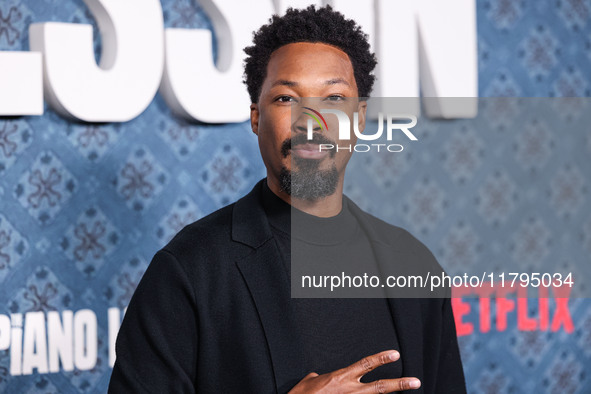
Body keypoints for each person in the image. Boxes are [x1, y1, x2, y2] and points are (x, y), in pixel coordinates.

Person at [109, 5, 466, 393]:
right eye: (285, 99)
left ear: (360, 118)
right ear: (256, 117)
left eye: (333, 98)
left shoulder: (412, 263)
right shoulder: (189, 271)